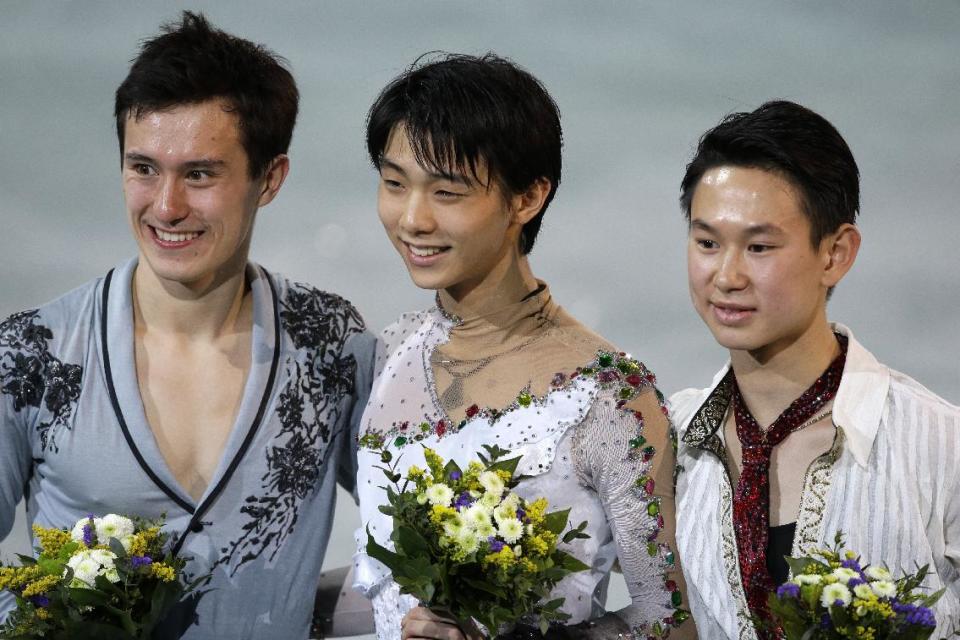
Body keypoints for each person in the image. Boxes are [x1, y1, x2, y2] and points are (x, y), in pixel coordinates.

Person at [0, 12, 375, 638]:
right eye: (143, 168)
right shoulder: (32, 352)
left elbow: (416, 538)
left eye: (199, 174)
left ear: (270, 178)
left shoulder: (329, 343)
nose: (166, 207)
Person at [351, 53, 694, 640]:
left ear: (527, 198)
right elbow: (378, 586)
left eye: (447, 192)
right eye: (394, 183)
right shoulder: (394, 350)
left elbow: (668, 624)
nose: (411, 218)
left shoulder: (610, 396)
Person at [670, 100, 960, 638]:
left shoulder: (941, 444)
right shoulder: (667, 443)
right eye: (707, 242)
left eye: (759, 247)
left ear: (836, 253)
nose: (726, 276)